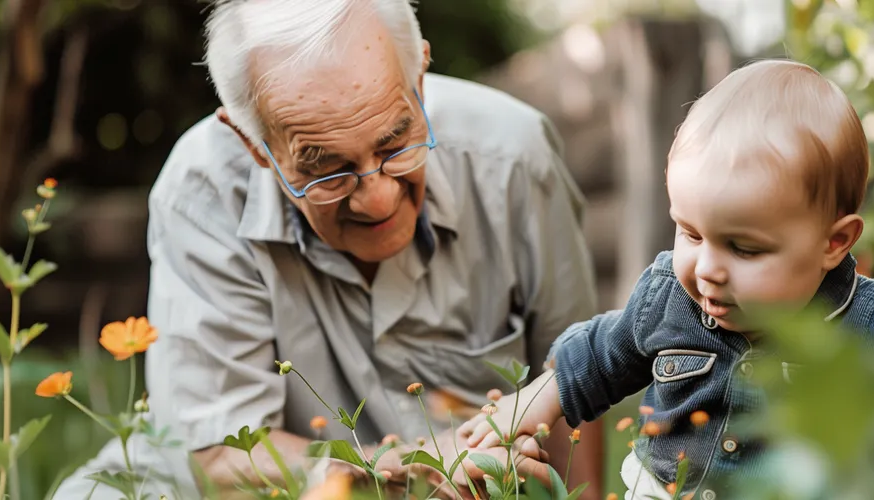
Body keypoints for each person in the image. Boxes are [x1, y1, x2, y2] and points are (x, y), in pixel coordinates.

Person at [54, 0, 599, 497]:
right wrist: (409, 463)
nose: (378, 198)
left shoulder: (516, 159)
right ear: (253, 145)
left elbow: (578, 379)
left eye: (395, 143)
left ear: (420, 79)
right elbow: (219, 455)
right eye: (327, 170)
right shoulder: (202, 191)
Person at [454, 60, 874, 499]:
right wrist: (529, 404)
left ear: (833, 242)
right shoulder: (669, 296)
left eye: (743, 248)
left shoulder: (873, 327)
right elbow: (597, 357)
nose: (706, 268)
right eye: (691, 233)